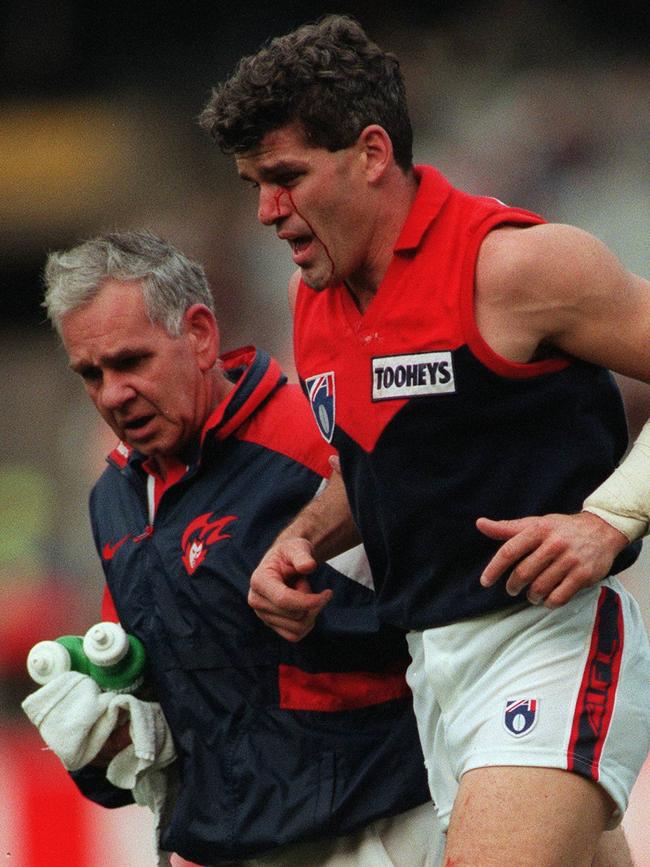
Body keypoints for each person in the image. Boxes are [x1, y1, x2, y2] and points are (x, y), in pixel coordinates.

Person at [199, 15, 650, 866]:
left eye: (286, 177)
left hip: (550, 641)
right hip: (434, 667)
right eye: (254, 183)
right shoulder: (317, 299)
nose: (265, 210)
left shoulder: (512, 266)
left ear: (371, 153)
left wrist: (608, 520)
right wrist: (296, 541)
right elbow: (372, 466)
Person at [33, 229, 443, 866]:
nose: (112, 393)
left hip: (383, 829)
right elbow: (157, 687)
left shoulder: (318, 442)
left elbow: (444, 616)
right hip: (227, 847)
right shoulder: (112, 499)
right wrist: (109, 739)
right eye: (91, 373)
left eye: (131, 361)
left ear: (199, 334)